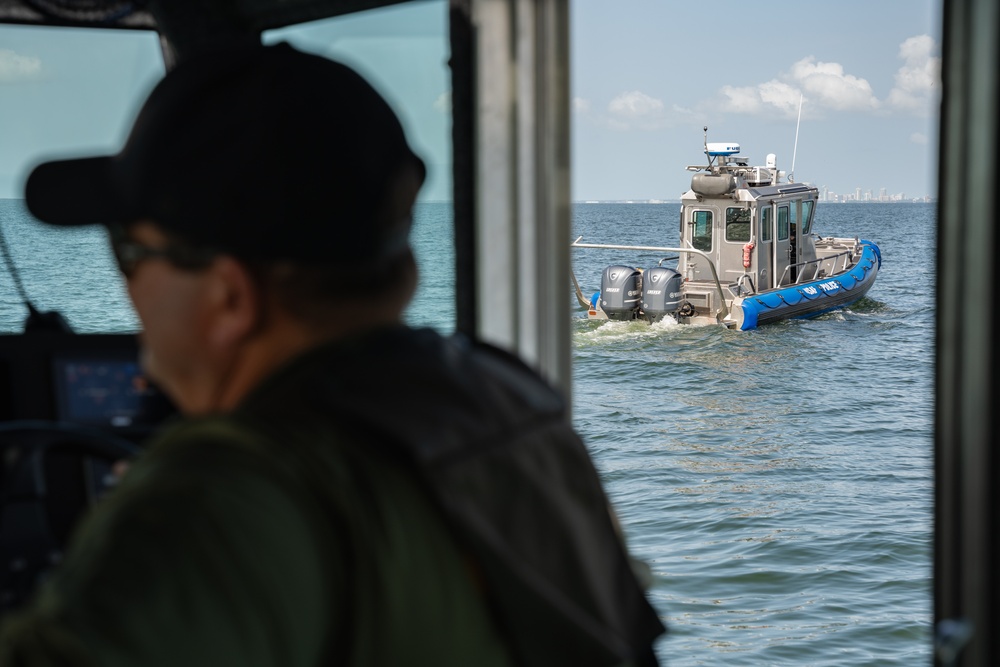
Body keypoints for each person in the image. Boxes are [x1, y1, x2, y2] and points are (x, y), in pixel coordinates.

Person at [0, 42, 664, 666]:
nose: (126, 285)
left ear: (230, 297)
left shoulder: (223, 493)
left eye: (129, 252)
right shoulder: (509, 398)